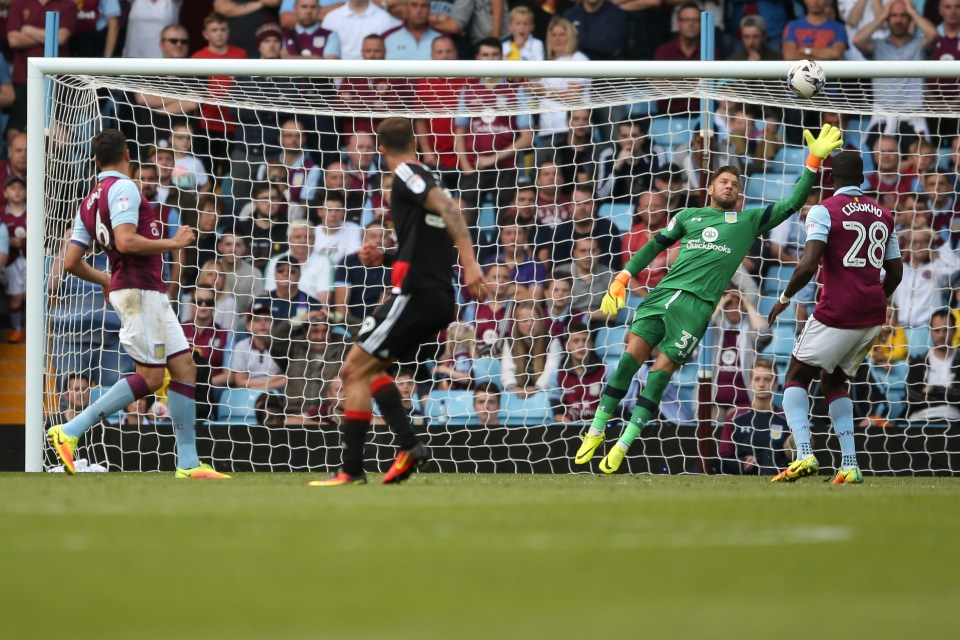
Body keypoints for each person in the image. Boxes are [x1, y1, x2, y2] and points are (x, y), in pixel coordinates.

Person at [574, 124, 844, 474]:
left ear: (740, 194)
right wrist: (624, 276)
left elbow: (793, 202)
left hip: (696, 309)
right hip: (662, 297)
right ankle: (596, 430)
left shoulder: (747, 220)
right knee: (628, 362)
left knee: (660, 375)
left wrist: (813, 160)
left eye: (735, 183)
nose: (729, 185)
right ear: (711, 188)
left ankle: (625, 442)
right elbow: (655, 245)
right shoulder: (689, 216)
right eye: (723, 182)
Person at [308, 117, 487, 486]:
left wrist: (470, 263)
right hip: (432, 293)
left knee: (351, 371)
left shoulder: (406, 172)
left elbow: (452, 212)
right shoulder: (424, 172)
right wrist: (386, 257)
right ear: (414, 141)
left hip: (416, 294)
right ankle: (406, 447)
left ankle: (355, 468)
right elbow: (431, 235)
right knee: (370, 371)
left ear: (381, 149)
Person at [47, 129, 229, 479]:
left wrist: (106, 280)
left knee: (185, 368)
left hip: (143, 291)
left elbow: (70, 261)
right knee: (150, 376)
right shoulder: (125, 187)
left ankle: (189, 464)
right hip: (139, 291)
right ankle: (70, 430)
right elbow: (127, 242)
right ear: (127, 154)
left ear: (95, 160)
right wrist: (173, 243)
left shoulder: (89, 200)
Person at [767, 150, 903, 485]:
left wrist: (784, 298)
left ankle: (803, 454)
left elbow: (809, 264)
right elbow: (896, 272)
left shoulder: (823, 210)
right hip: (872, 314)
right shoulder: (885, 215)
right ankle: (850, 465)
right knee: (835, 382)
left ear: (830, 179)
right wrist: (871, 298)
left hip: (837, 310)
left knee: (795, 378)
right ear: (863, 178)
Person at [719, 360, 789, 476]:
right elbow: (725, 455)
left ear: (776, 384)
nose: (761, 384)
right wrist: (745, 462)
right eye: (757, 379)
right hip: (741, 470)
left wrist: (758, 459)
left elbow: (788, 458)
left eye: (767, 379)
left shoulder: (786, 419)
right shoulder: (735, 417)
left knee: (770, 455)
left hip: (774, 471)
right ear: (751, 383)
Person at [905, 308, 960, 423]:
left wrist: (933, 389)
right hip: (919, 420)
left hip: (953, 421)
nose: (941, 335)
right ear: (930, 331)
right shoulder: (918, 362)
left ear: (954, 331)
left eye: (946, 330)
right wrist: (948, 396)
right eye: (937, 330)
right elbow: (912, 397)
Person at [2, 175, 27, 343]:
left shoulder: (31, 213)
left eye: (20, 188)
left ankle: (28, 327)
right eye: (13, 188)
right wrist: (10, 241)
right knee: (15, 297)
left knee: (28, 295)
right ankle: (17, 329)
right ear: (5, 193)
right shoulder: (3, 217)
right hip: (11, 261)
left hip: (29, 260)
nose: (17, 192)